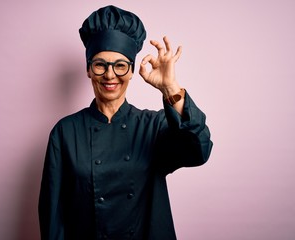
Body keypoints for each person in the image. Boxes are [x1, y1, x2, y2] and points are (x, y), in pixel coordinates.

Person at [39, 5, 213, 240]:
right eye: (100, 64)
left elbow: (198, 151)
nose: (110, 75)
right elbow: (53, 213)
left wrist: (170, 87)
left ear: (131, 71)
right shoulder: (65, 132)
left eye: (120, 65)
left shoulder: (154, 126)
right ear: (89, 70)